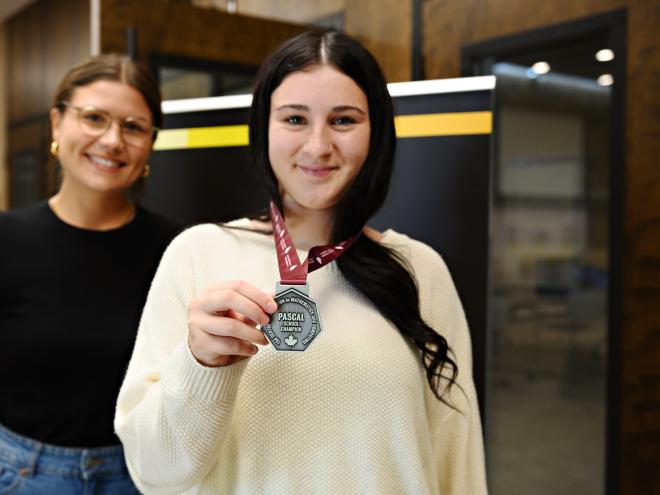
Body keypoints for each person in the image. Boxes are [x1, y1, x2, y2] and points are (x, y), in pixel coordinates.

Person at [115, 31, 487, 494]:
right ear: (263, 129)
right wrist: (200, 364)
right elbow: (155, 474)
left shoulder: (419, 269)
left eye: (343, 121)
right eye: (294, 119)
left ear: (377, 132)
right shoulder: (198, 253)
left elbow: (458, 456)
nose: (317, 146)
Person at [0, 54, 180, 494]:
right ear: (57, 123)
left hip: (139, 477)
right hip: (19, 475)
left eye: (133, 127)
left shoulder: (178, 250)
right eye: (94, 118)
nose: (112, 140)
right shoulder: (6, 239)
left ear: (150, 143)